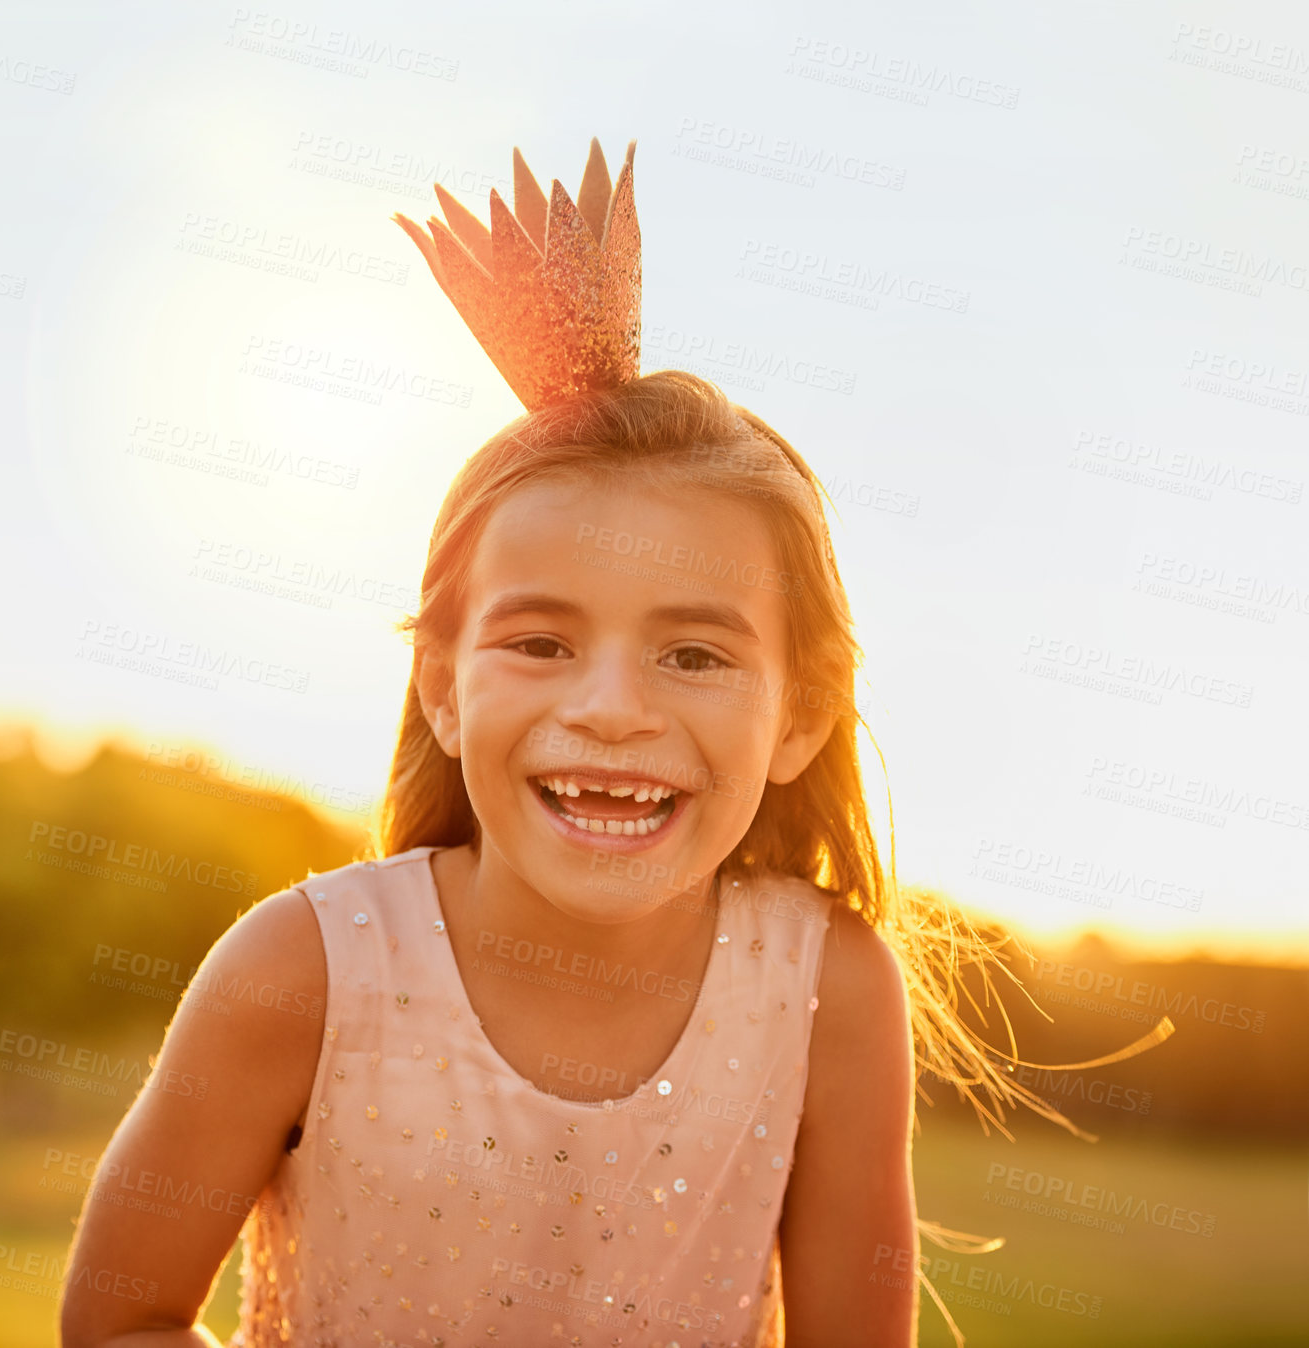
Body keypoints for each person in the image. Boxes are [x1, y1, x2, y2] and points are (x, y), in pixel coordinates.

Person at [59, 139, 1166, 1348]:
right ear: (441, 683)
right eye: (540, 643)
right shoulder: (303, 970)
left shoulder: (827, 994)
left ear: (801, 710)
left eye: (692, 655)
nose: (611, 708)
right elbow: (121, 1322)